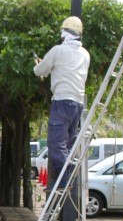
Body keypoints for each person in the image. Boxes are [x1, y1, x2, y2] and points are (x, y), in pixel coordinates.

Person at [33, 16, 90, 190]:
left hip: (62, 102)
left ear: (66, 33)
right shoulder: (85, 54)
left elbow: (38, 71)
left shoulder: (58, 51)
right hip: (77, 104)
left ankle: (65, 177)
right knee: (67, 143)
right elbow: (69, 71)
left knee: (56, 144)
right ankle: (65, 177)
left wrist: (41, 63)